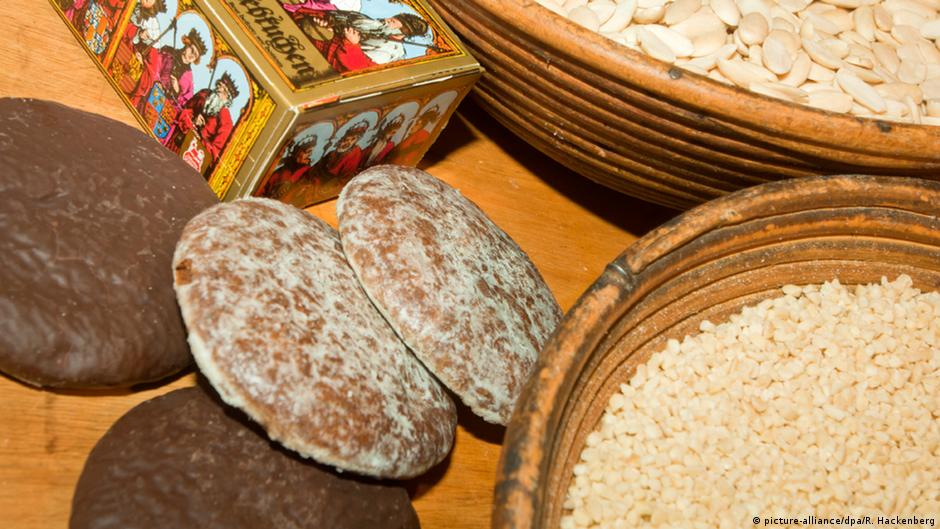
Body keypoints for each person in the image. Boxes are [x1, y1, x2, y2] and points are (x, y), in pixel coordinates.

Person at [289, 8, 429, 72]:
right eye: (389, 19)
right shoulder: (371, 23)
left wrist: (352, 44)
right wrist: (328, 23)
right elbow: (337, 19)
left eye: (392, 22)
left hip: (332, 58)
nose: (385, 21)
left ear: (403, 32)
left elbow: (359, 68)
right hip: (325, 40)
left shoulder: (392, 50)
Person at [130, 27, 206, 114]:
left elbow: (185, 102)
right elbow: (155, 66)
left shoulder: (189, 78)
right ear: (186, 44)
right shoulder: (168, 52)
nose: (192, 55)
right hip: (148, 92)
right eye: (192, 50)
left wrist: (177, 90)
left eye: (195, 55)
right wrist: (158, 82)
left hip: (162, 110)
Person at [174, 72, 238, 161]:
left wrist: (200, 137)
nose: (219, 89)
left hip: (193, 157)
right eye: (219, 85)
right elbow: (186, 109)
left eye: (224, 90)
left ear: (228, 99)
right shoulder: (204, 94)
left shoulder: (226, 121)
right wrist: (192, 120)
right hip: (178, 139)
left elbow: (215, 153)